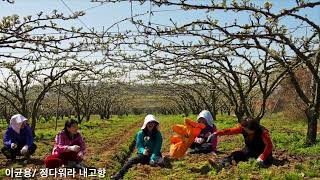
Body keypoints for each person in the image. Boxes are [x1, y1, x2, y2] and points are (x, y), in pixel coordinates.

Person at [111, 114, 163, 180]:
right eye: (149, 122)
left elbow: (157, 147)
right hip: (143, 154)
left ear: (155, 124)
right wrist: (143, 151)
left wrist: (152, 157)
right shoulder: (140, 133)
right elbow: (139, 145)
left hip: (155, 154)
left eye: (152, 122)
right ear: (146, 124)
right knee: (131, 161)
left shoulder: (158, 134)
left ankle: (151, 161)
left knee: (161, 162)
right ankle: (119, 174)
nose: (151, 124)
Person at [209, 117, 273, 170]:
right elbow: (230, 131)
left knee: (262, 163)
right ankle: (220, 164)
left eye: (246, 129)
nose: (243, 130)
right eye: (243, 128)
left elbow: (269, 145)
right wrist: (217, 133)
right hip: (249, 149)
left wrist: (262, 157)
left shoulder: (263, 132)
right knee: (236, 155)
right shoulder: (243, 128)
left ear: (253, 129)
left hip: (262, 152)